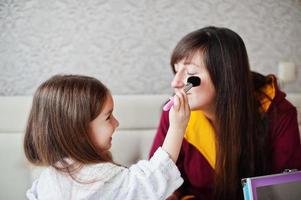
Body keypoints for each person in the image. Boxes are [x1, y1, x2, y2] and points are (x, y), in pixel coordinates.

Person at [149, 26, 301, 200]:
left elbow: (288, 189)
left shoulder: (279, 114)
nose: (175, 83)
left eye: (190, 73)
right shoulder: (177, 115)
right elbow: (162, 183)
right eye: (176, 71)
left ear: (225, 76)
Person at [24, 74, 190, 200]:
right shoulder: (97, 180)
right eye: (108, 117)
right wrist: (177, 127)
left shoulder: (48, 179)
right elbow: (151, 181)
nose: (116, 123)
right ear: (79, 130)